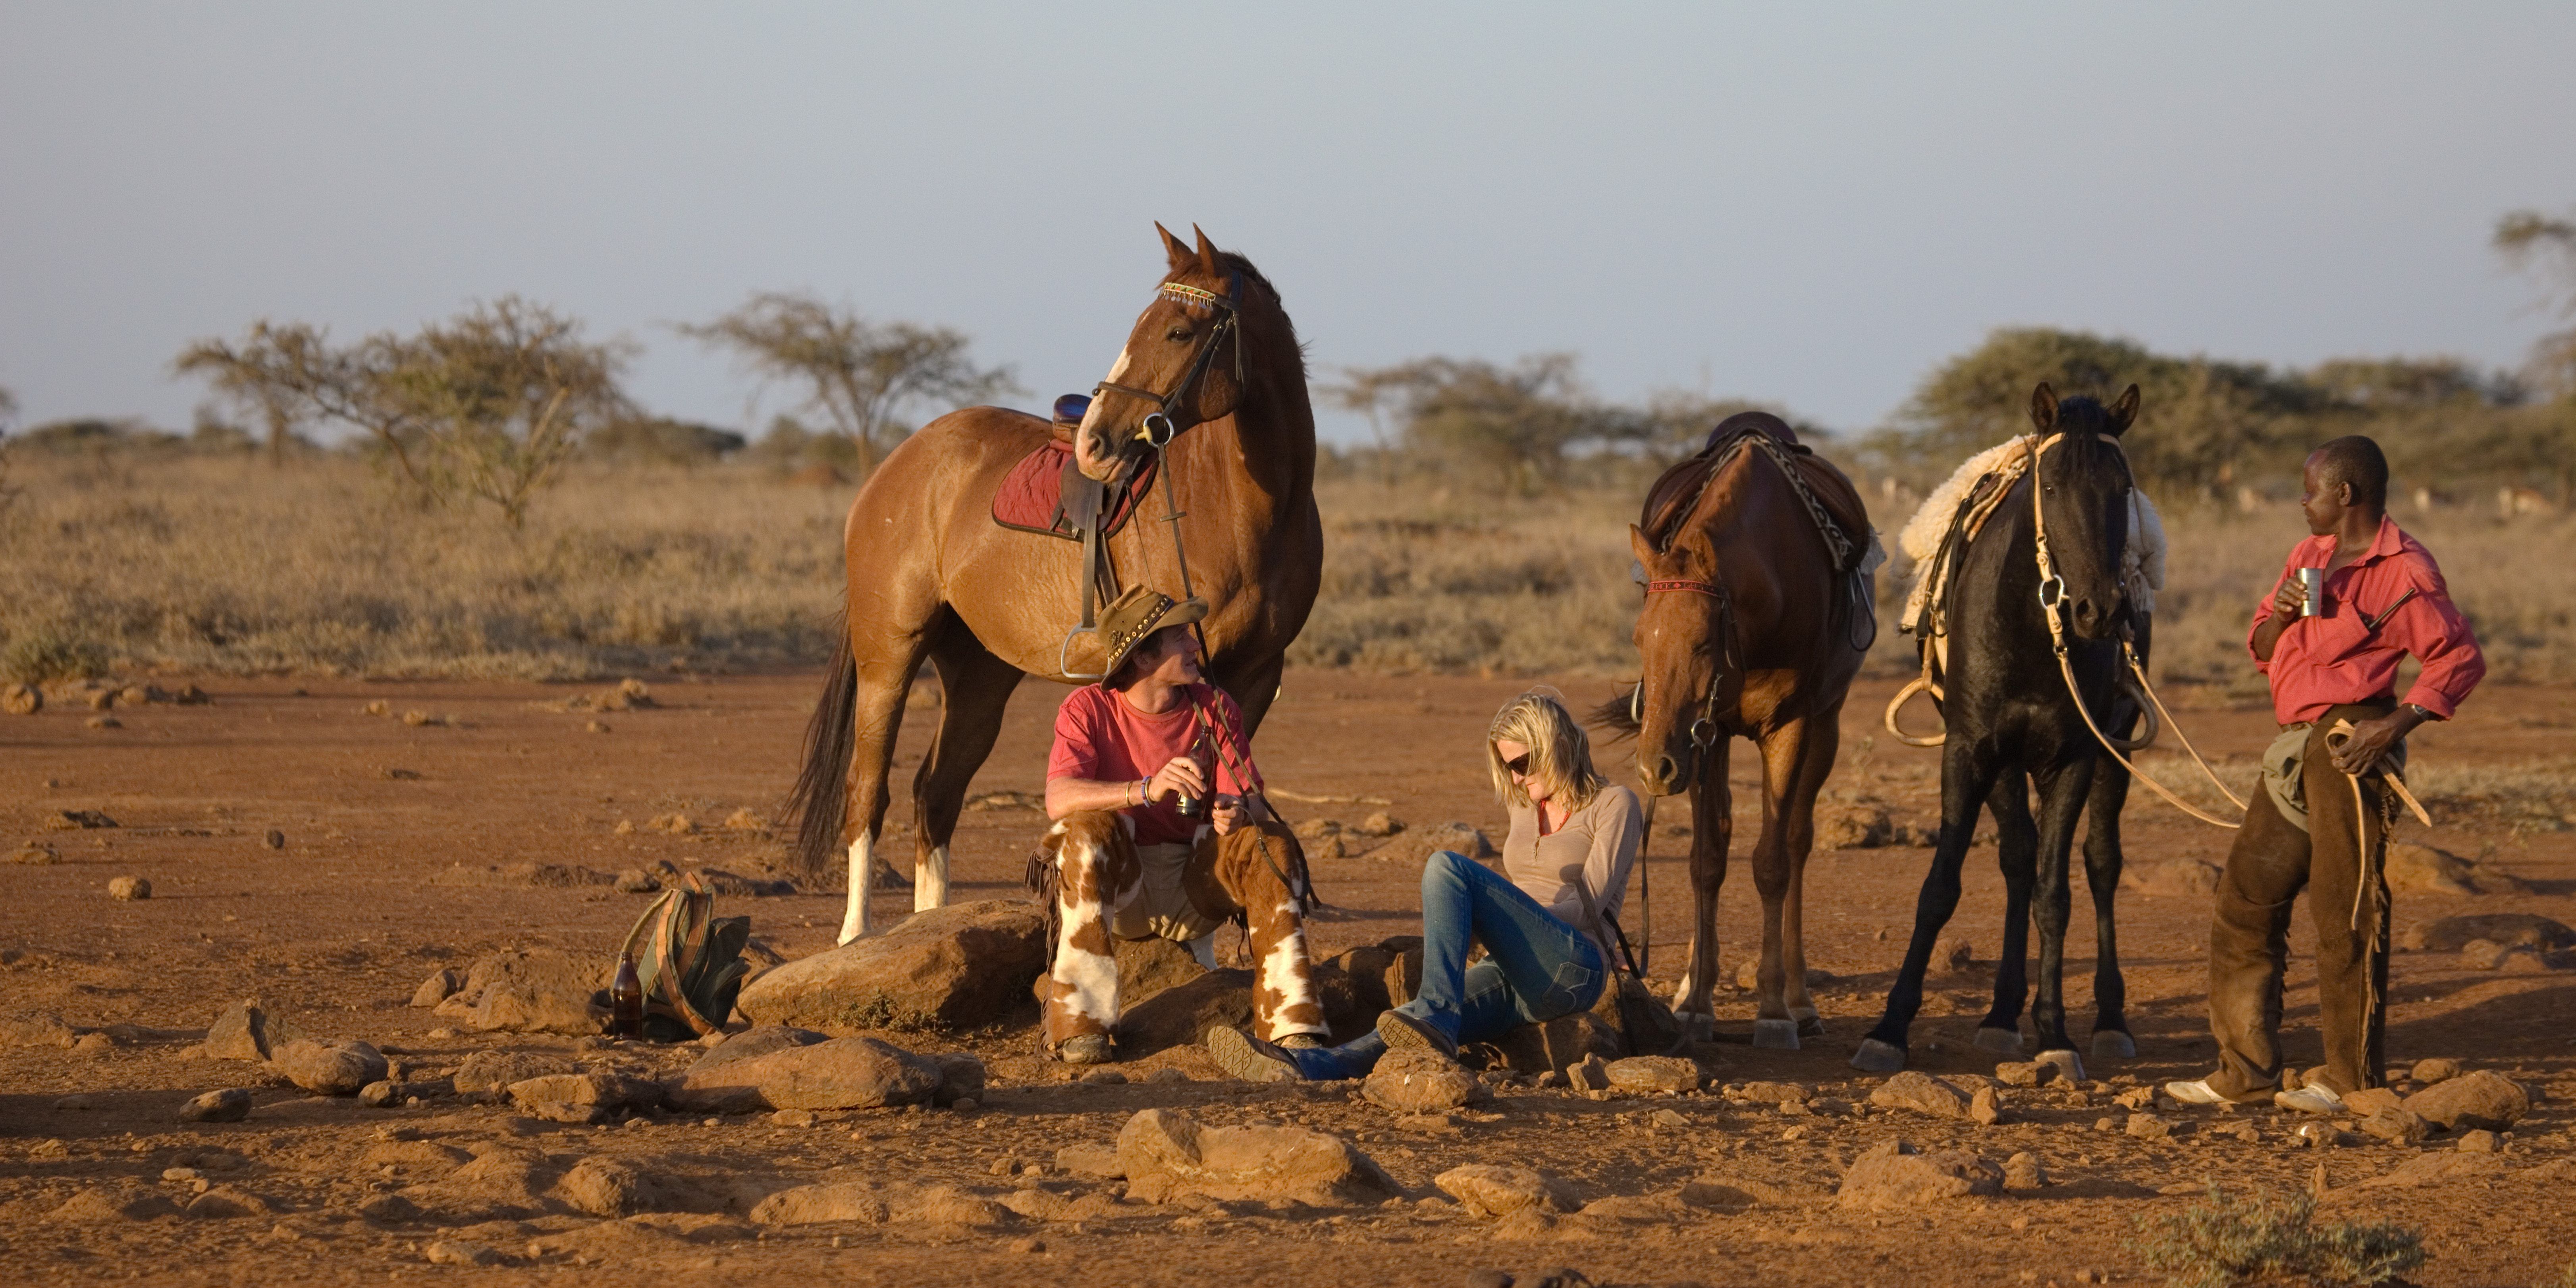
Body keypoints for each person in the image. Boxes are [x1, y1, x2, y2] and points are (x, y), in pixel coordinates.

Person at [2166, 437, 2484, 1113]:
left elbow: (2457, 659)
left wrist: (2389, 729)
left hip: (2349, 742)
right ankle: (2243, 1071)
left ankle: (2350, 1081)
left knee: (2345, 912)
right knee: (2244, 901)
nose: (2300, 501)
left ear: (2345, 495)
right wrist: (2280, 615)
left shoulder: (2404, 570)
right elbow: (2258, 646)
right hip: (2292, 745)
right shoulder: (2307, 558)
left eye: (2309, 490)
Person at [1203, 688, 1641, 1082]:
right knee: (1406, 1022)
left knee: (1445, 867)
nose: (1514, 777)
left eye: (1522, 763)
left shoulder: (1614, 804)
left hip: (1573, 965)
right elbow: (1518, 897)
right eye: (1507, 767)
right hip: (1514, 967)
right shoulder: (1525, 807)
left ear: (1557, 745)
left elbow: (1588, 908)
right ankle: (1303, 1065)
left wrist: (1497, 920)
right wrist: (1497, 929)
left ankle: (1436, 1015)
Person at [1034, 585, 1328, 1065]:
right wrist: (1144, 789)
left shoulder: (1214, 706)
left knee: (1270, 843)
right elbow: (1058, 796)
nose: (1196, 645)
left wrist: (1235, 809)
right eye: (1180, 639)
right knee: (1079, 833)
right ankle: (1081, 1028)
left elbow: (1252, 800)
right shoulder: (1086, 709)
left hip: (1197, 885)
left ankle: (1292, 1027)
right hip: (1121, 891)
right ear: (1142, 657)